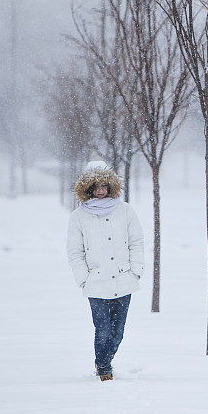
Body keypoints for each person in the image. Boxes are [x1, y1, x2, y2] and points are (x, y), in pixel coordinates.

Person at [67, 161, 144, 381]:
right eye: (96, 186)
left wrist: (135, 271)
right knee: (102, 332)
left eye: (104, 185)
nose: (100, 190)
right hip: (96, 283)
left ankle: (104, 359)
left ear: (110, 186)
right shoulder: (78, 216)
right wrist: (84, 279)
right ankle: (104, 368)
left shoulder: (125, 210)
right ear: (88, 188)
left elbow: (137, 241)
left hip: (123, 280)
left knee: (117, 333)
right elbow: (75, 252)